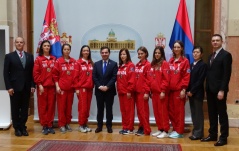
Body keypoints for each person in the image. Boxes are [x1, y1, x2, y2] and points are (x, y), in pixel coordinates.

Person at [201, 34, 232, 146]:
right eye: (213, 40)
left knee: (222, 114)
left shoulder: (226, 55)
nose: (215, 42)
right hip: (210, 90)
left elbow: (226, 75)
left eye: (217, 40)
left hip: (219, 91)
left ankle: (223, 137)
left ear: (222, 42)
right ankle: (212, 134)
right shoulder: (210, 56)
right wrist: (206, 88)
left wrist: (222, 90)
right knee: (212, 113)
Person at [3, 37, 35, 137]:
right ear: (15, 44)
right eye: (17, 42)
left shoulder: (29, 56)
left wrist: (32, 85)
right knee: (15, 108)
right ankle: (17, 128)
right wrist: (9, 87)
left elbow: (32, 73)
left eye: (21, 42)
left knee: (25, 108)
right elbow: (5, 73)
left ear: (24, 43)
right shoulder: (9, 56)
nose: (19, 44)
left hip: (26, 87)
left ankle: (23, 126)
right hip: (14, 88)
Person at [33, 40, 56, 135]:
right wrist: (39, 84)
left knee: (51, 106)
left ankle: (50, 125)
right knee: (43, 106)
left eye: (48, 46)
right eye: (45, 46)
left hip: (52, 87)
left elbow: (56, 73)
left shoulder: (54, 58)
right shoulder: (38, 59)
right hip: (42, 87)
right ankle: (44, 125)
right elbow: (36, 73)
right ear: (42, 47)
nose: (47, 47)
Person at [92, 46, 118, 133]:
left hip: (109, 91)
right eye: (102, 52)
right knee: (100, 109)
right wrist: (99, 86)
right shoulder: (96, 64)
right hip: (99, 91)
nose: (104, 54)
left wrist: (107, 86)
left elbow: (114, 77)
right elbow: (94, 77)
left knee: (109, 110)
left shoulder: (114, 64)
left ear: (109, 53)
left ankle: (109, 126)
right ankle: (99, 126)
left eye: (106, 52)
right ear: (100, 53)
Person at [168, 40, 190, 138]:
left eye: (178, 47)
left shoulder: (185, 61)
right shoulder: (171, 60)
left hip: (179, 91)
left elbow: (186, 76)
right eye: (175, 47)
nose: (176, 49)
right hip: (170, 91)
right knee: (171, 111)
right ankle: (175, 129)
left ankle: (180, 131)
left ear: (182, 48)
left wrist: (183, 89)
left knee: (179, 112)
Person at [52, 44, 76, 134]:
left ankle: (67, 123)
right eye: (65, 49)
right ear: (62, 51)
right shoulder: (58, 61)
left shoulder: (74, 61)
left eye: (68, 49)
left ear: (70, 50)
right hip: (61, 89)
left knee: (69, 107)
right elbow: (55, 75)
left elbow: (76, 75)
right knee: (61, 107)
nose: (66, 51)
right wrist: (57, 86)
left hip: (71, 89)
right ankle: (61, 124)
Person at [186, 46, 207, 140]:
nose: (195, 54)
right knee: (194, 113)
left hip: (197, 93)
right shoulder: (191, 65)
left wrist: (192, 91)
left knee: (198, 114)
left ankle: (199, 133)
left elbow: (200, 80)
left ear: (201, 54)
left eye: (197, 52)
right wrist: (187, 91)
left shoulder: (203, 65)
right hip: (190, 93)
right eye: (194, 52)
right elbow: (188, 79)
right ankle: (195, 131)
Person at [149, 46, 170, 138]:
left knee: (163, 112)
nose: (157, 54)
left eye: (159, 53)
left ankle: (165, 130)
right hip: (154, 93)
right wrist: (150, 89)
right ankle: (160, 128)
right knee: (157, 112)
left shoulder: (165, 64)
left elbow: (166, 79)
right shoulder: (153, 64)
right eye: (155, 53)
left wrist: (163, 91)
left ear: (162, 54)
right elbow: (150, 78)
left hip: (161, 92)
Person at [74, 45, 94, 133]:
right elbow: (75, 77)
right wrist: (77, 88)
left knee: (87, 108)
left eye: (87, 51)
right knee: (82, 107)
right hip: (82, 89)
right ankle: (81, 125)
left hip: (90, 88)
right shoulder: (78, 63)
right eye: (84, 51)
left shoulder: (91, 63)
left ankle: (85, 124)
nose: (86, 52)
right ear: (81, 52)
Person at [117, 48, 135, 135]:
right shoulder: (120, 66)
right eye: (121, 54)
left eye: (124, 54)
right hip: (121, 92)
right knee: (123, 111)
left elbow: (131, 80)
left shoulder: (131, 66)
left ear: (127, 55)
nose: (122, 56)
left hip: (128, 93)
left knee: (129, 111)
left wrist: (129, 91)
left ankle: (130, 128)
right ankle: (124, 127)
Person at [134, 46, 151, 136]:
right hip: (137, 92)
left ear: (146, 54)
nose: (140, 55)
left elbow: (148, 80)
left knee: (144, 112)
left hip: (143, 92)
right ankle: (141, 127)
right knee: (139, 112)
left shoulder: (148, 65)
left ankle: (146, 129)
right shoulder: (137, 65)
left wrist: (146, 92)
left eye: (142, 53)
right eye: (139, 54)